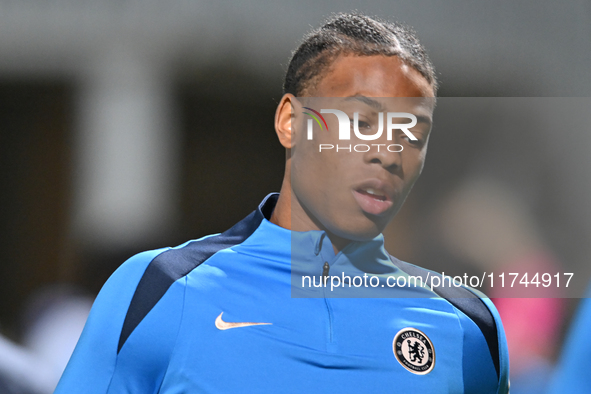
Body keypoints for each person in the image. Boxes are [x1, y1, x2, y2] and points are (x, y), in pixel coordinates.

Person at [55, 13, 509, 393]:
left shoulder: (469, 326)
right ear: (290, 121)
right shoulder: (159, 290)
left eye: (414, 133)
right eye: (363, 120)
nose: (388, 152)